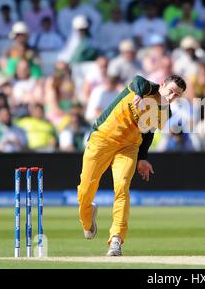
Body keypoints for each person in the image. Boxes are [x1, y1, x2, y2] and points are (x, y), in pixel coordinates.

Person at [77, 74, 186, 256]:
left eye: (177, 95)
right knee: (86, 189)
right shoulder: (146, 87)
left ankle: (116, 240)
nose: (172, 96)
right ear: (162, 85)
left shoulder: (166, 113)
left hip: (128, 147)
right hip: (102, 139)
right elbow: (138, 80)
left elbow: (148, 132)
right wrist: (138, 94)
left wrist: (142, 158)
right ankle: (87, 218)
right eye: (171, 91)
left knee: (122, 188)